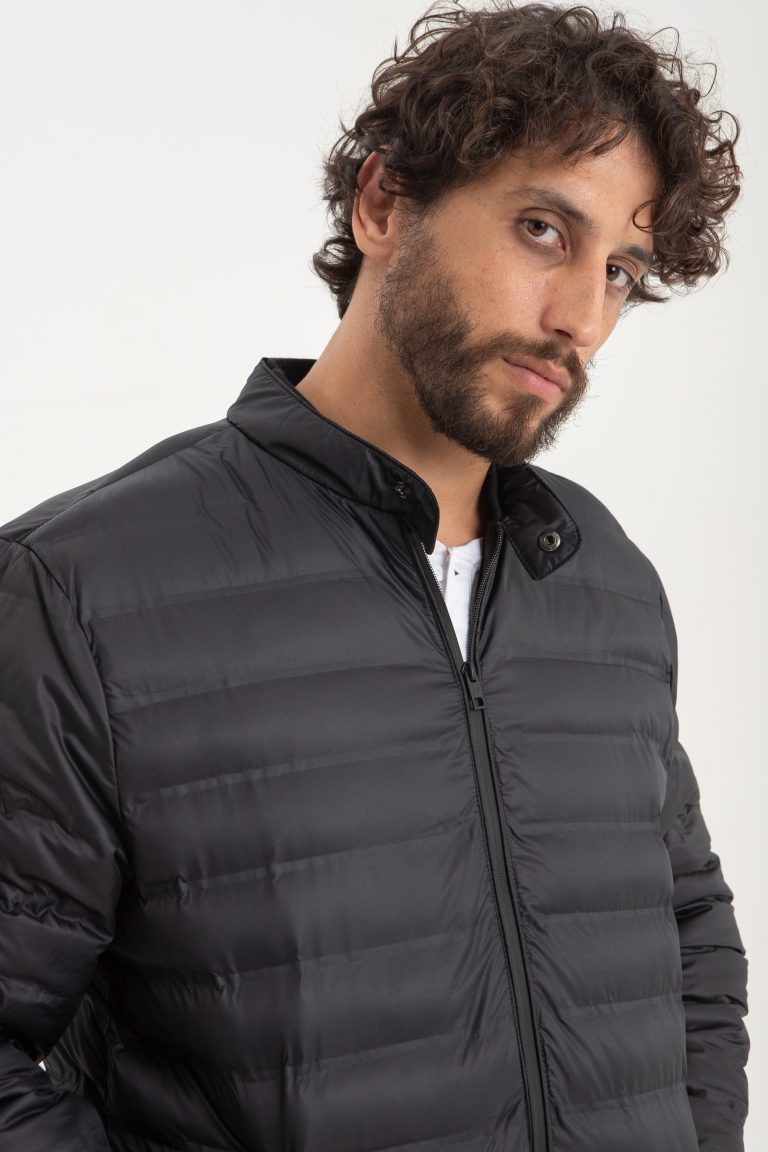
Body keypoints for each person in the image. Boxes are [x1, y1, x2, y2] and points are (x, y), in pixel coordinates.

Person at [0, 2, 750, 1150]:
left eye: (620, 270)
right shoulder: (78, 591)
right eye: (544, 230)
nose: (580, 318)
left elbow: (690, 941)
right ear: (385, 203)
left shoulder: (603, 582)